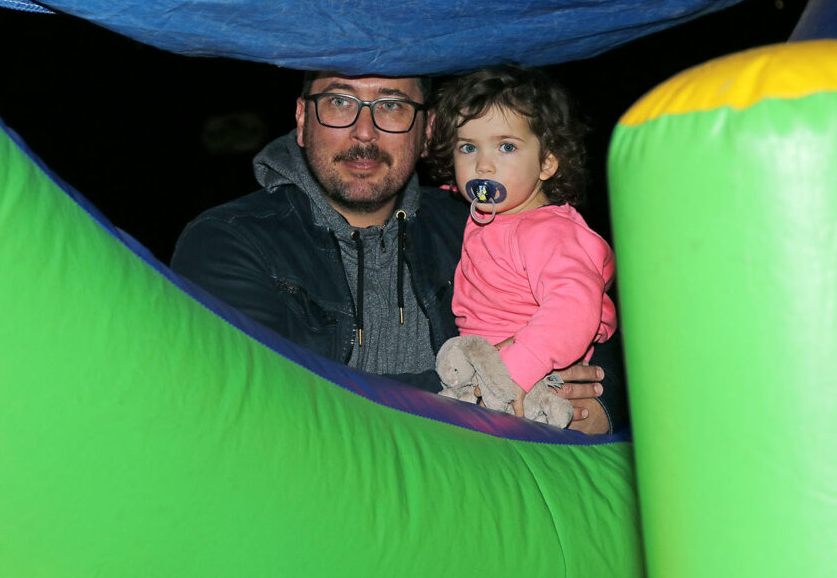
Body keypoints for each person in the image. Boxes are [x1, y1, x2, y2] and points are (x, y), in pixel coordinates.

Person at [171, 71, 615, 433]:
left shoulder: (480, 221)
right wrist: (471, 382)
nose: (364, 132)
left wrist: (599, 408)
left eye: (391, 106)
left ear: (427, 131)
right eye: (340, 101)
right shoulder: (228, 240)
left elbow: (603, 326)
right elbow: (261, 403)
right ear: (303, 120)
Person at [429, 65, 618, 419]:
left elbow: (573, 310)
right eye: (468, 147)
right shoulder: (494, 214)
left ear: (546, 162)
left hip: (528, 382)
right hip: (484, 374)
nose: (483, 165)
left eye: (506, 146)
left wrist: (514, 373)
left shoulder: (551, 232)